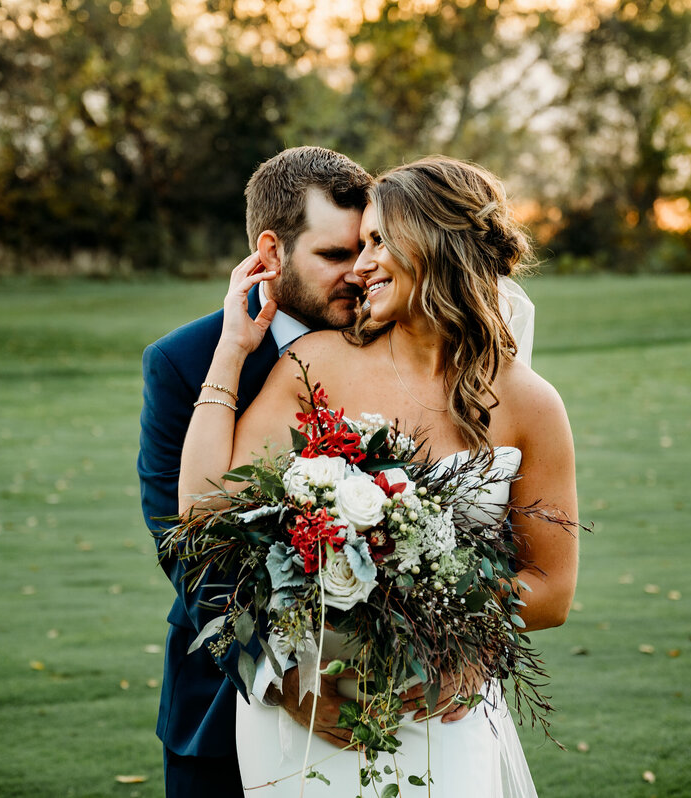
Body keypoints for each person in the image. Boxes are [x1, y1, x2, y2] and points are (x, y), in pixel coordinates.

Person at [178, 156, 580, 796]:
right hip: (307, 708)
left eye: (376, 242)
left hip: (440, 701)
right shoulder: (316, 362)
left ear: (434, 245)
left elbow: (552, 591)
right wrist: (232, 352)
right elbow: (205, 512)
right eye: (355, 244)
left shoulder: (531, 404)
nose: (359, 267)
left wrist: (454, 628)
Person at [137, 145, 373, 797]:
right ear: (270, 252)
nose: (360, 274)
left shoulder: (391, 343)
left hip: (374, 712)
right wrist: (281, 675)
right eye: (334, 255)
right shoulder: (182, 362)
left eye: (366, 249)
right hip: (221, 712)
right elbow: (185, 549)